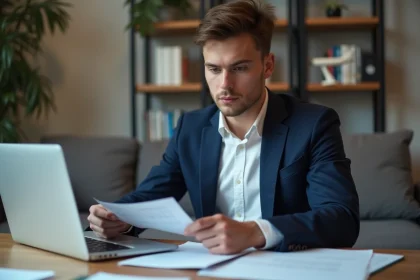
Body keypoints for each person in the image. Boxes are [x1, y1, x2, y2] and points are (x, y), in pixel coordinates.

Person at [88, 0, 359, 254]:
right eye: (214, 69)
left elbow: (341, 219)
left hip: (287, 267)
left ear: (268, 66)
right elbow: (150, 197)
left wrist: (256, 232)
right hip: (211, 268)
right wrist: (117, 218)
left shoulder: (313, 124)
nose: (225, 84)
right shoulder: (191, 128)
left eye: (239, 68)